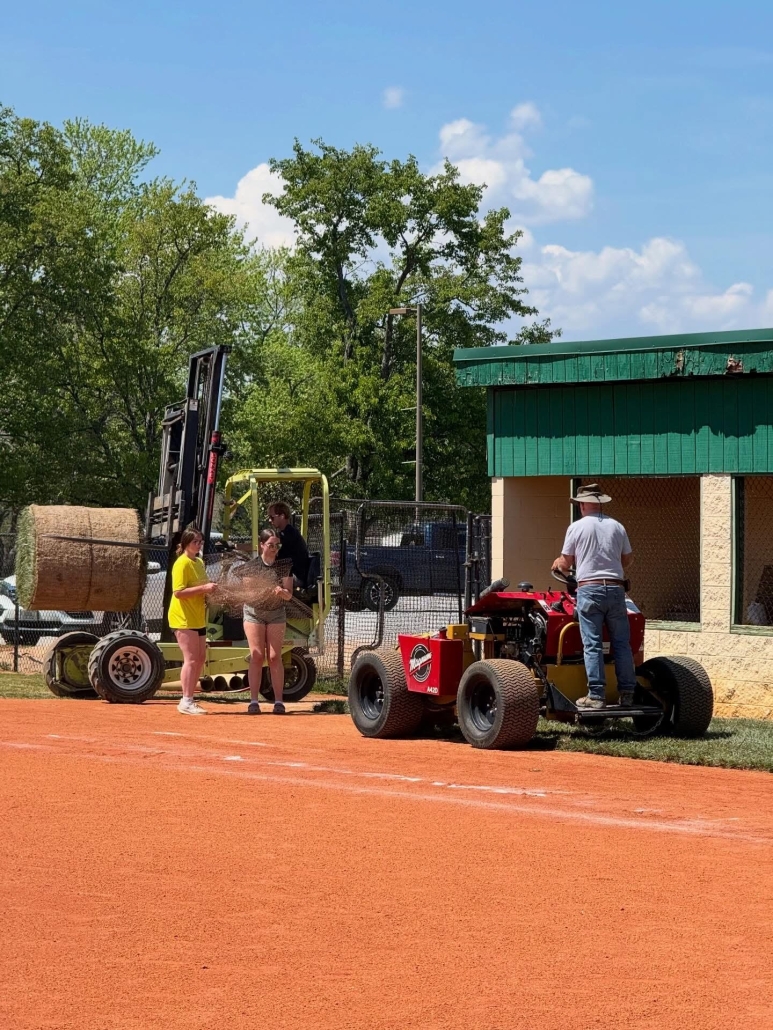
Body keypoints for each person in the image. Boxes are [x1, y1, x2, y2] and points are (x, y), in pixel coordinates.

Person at [551, 483, 637, 710]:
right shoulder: (617, 526)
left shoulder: (576, 528)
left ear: (585, 504)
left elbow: (566, 562)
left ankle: (596, 695)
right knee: (622, 644)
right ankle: (627, 693)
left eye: (580, 503)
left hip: (589, 589)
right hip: (617, 590)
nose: (579, 506)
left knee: (592, 644)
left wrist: (558, 563)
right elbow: (627, 560)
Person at [244, 528, 294, 715]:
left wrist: (282, 593)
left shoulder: (283, 565)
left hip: (276, 613)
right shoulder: (252, 567)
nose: (274, 548)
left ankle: (279, 701)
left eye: (277, 545)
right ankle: (253, 701)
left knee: (274, 657)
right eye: (270, 545)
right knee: (257, 655)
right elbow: (248, 594)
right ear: (261, 545)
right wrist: (264, 590)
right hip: (254, 612)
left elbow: (289, 595)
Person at [168, 527, 218, 715]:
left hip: (197, 617)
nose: (198, 545)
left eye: (200, 541)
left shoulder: (198, 562)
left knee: (200, 658)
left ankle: (189, 699)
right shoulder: (182, 563)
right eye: (195, 541)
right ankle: (186, 700)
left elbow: (200, 587)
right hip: (183, 617)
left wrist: (209, 590)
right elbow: (178, 592)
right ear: (186, 544)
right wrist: (205, 588)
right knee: (190, 659)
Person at [267, 502, 310, 587]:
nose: (269, 520)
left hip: (295, 577)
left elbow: (269, 548)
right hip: (287, 574)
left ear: (282, 516)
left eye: (272, 517)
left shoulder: (288, 534)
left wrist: (237, 546)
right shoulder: (283, 533)